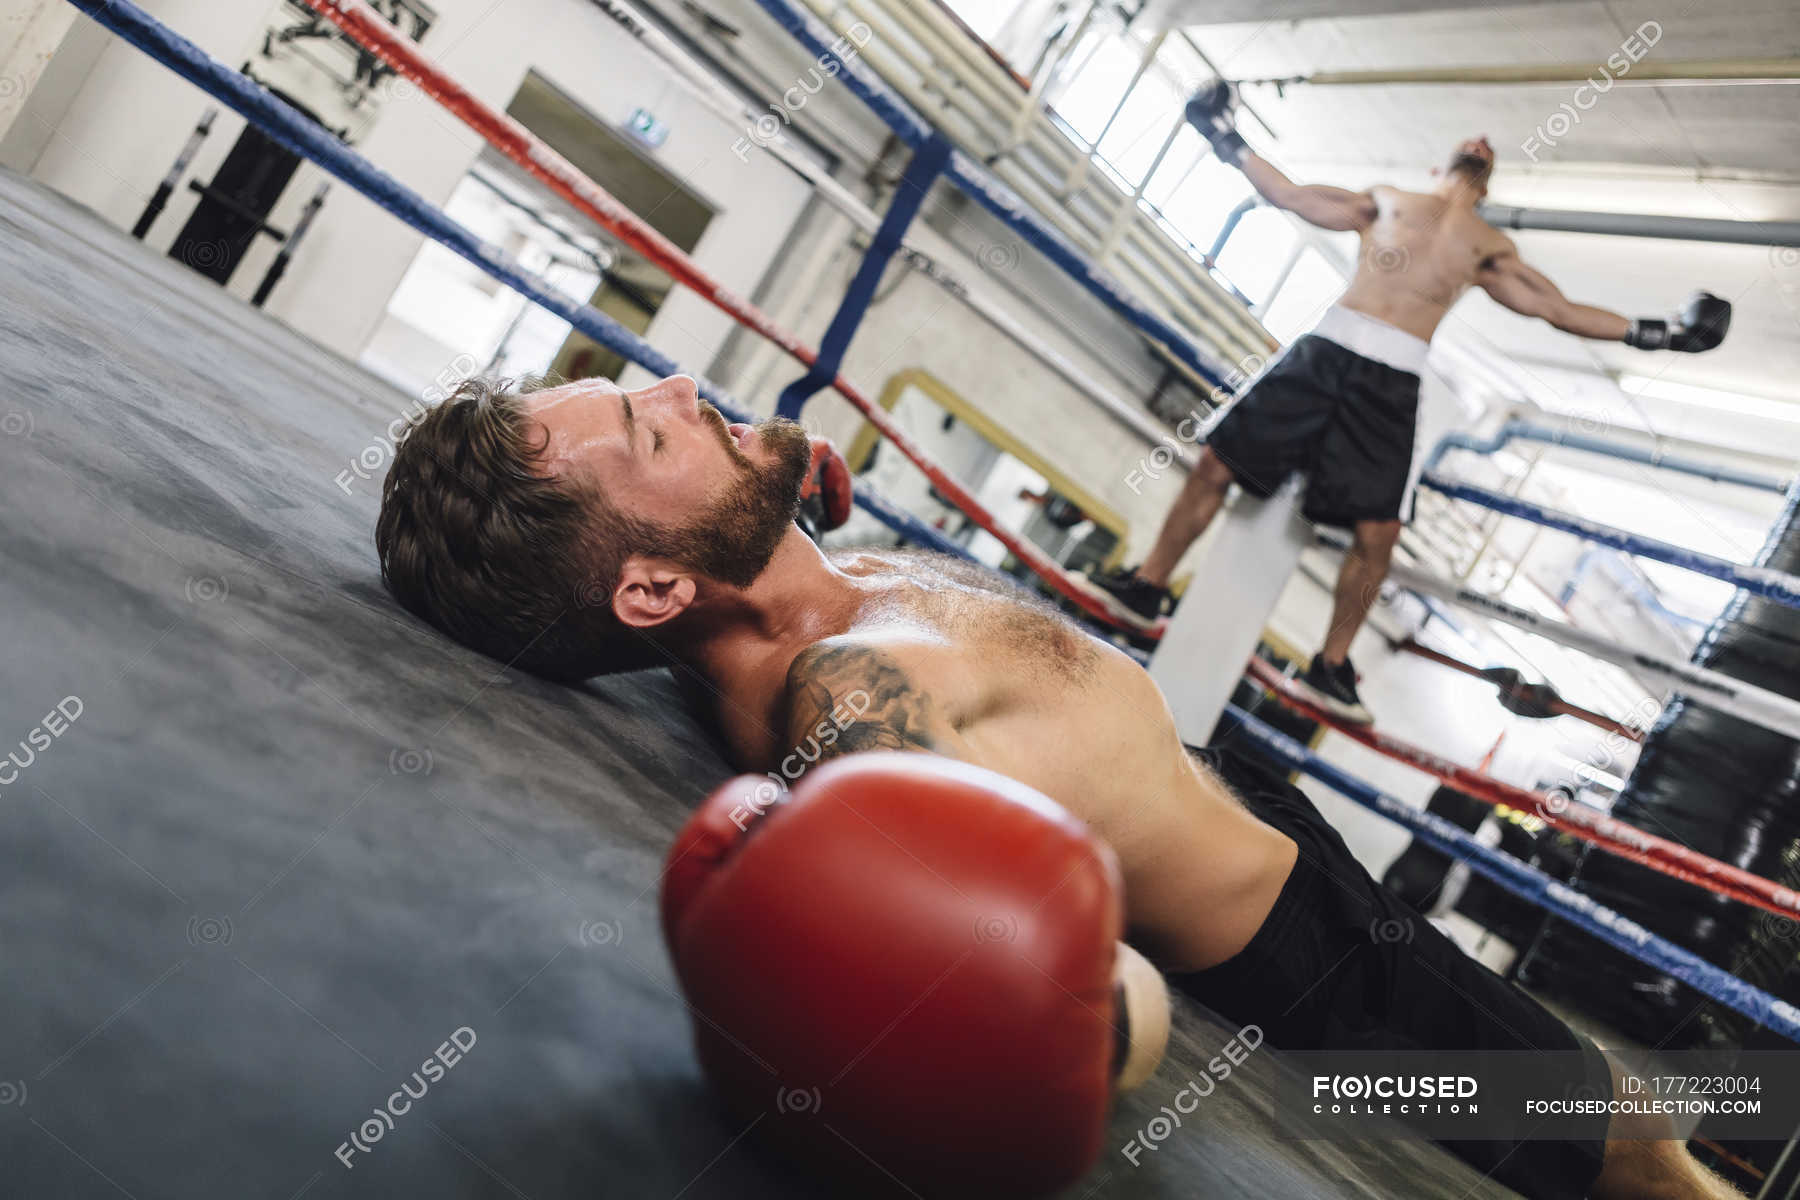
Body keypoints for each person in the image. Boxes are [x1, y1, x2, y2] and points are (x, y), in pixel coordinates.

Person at [376, 372, 1739, 1199]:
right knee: (1624, 1146)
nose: (681, 386)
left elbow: (678, 624)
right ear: (658, 583)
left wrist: (766, 496)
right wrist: (1100, 1013)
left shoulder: (757, 595)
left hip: (1254, 813)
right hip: (1322, 971)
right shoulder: (851, 701)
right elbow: (1082, 997)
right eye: (650, 430)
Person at [1093, 82, 1733, 723]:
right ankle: (1146, 587)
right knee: (1216, 465)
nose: (1480, 140)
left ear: (1484, 183)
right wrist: (1221, 135)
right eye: (1470, 141)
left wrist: (1664, 334)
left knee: (1380, 534)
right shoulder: (1387, 202)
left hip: (1392, 380)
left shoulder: (1487, 247)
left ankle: (1331, 666)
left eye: (1489, 149)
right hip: (1327, 349)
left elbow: (1557, 309)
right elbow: (1287, 194)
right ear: (1443, 164)